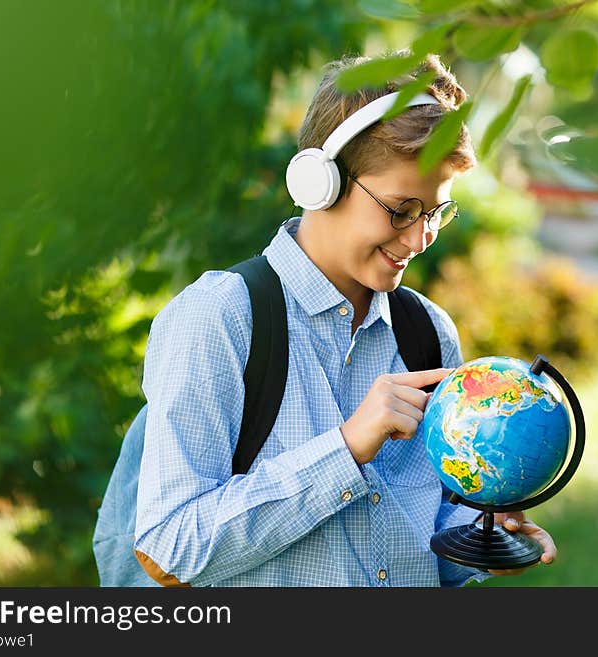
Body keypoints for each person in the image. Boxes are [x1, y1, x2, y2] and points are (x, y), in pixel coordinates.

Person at [132, 52, 557, 586]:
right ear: (321, 182)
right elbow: (169, 549)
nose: (419, 238)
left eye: (435, 213)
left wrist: (481, 536)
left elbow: (420, 533)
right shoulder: (222, 318)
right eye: (401, 209)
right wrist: (348, 447)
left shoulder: (427, 333)